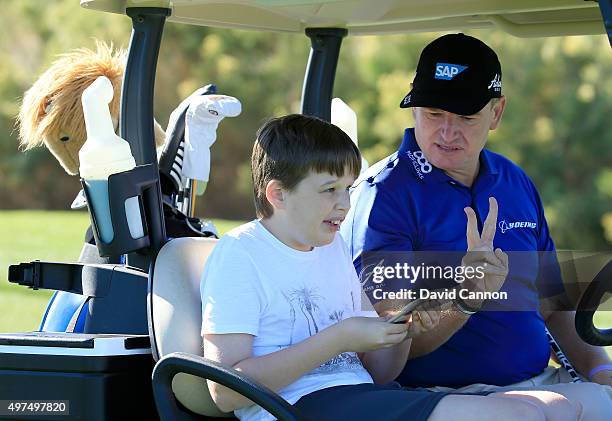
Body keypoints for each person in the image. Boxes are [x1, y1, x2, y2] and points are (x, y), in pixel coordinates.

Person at [200, 114, 579, 421]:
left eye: (348, 189)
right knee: (521, 415)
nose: (345, 205)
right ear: (278, 194)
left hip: (364, 396)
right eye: (329, 190)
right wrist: (341, 337)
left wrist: (407, 329)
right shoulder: (239, 254)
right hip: (296, 408)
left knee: (552, 409)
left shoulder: (331, 249)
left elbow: (380, 372)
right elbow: (224, 390)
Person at [340, 33, 612, 418]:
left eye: (466, 118)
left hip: (541, 384)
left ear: (496, 113)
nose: (448, 133)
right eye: (434, 113)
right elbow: (386, 348)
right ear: (415, 111)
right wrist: (465, 299)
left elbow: (555, 306)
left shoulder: (514, 180)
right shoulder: (384, 196)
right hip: (442, 397)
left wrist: (601, 370)